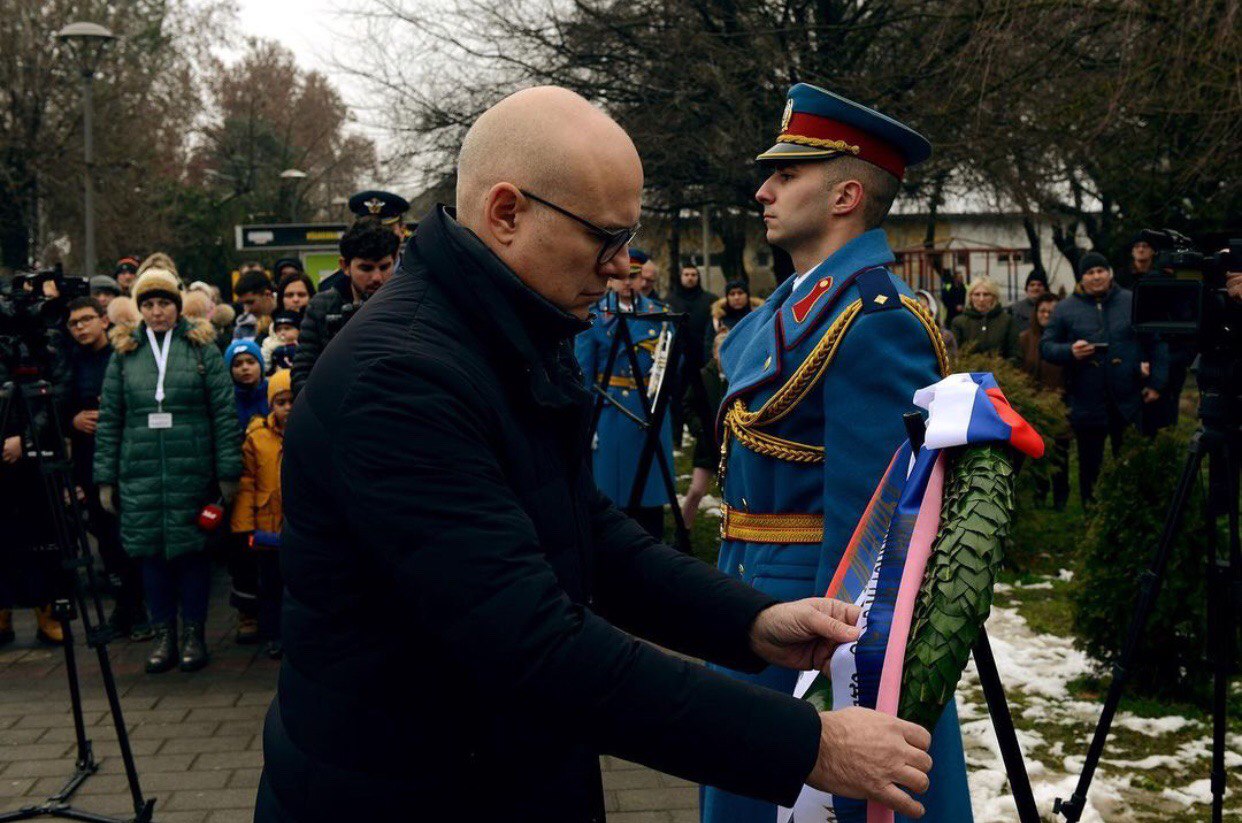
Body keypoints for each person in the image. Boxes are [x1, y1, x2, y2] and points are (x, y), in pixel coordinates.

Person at [256, 86, 934, 823]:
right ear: (507, 213)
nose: (621, 265)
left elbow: (586, 529)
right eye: (604, 238)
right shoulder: (404, 380)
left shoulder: (502, 329)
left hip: (493, 772)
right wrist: (809, 746)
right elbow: (536, 645)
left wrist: (750, 622)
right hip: (411, 789)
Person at [710, 83, 967, 823]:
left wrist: (844, 685)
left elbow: (875, 537)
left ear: (847, 193)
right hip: (757, 610)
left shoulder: (875, 319)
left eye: (787, 174)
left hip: (816, 629)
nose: (764, 189)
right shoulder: (793, 306)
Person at [94, 258, 242, 673]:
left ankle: (194, 634)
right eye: (149, 304)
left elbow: (223, 413)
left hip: (191, 471)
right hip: (139, 472)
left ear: (178, 305)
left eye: (164, 303)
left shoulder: (202, 348)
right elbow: (110, 420)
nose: (157, 311)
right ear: (139, 308)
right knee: (151, 558)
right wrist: (105, 478)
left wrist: (227, 472)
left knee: (192, 556)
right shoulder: (124, 354)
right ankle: (163, 635)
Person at [1040, 251, 1167, 504]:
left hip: (1128, 397)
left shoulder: (1131, 301)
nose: (1096, 276)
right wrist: (1070, 351)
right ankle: (1092, 509)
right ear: (1082, 277)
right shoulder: (1065, 309)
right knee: (1090, 465)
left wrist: (1156, 383)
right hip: (1087, 400)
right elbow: (1046, 346)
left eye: (1100, 271)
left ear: (1109, 273)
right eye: (1090, 272)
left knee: (1131, 459)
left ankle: (1131, 508)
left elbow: (1157, 342)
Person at [64, 297, 150, 638]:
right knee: (106, 539)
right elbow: (61, 402)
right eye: (74, 323)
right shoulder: (69, 362)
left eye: (87, 320)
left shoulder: (123, 355)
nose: (81, 328)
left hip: (124, 453)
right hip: (88, 456)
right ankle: (123, 609)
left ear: (104, 320)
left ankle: (140, 609)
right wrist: (73, 419)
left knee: (128, 534)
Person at [575, 261, 674, 540]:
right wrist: (588, 420)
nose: (627, 283)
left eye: (633, 277)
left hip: (648, 408)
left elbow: (671, 363)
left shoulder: (659, 313)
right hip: (613, 409)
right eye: (621, 277)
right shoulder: (595, 315)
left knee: (650, 492)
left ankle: (653, 543)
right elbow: (584, 371)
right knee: (613, 494)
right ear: (610, 280)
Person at [291, 218, 399, 397]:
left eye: (384, 267)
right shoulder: (322, 307)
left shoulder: (406, 306)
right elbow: (302, 373)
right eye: (366, 268)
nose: (377, 277)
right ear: (345, 266)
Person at [231, 368, 292, 660]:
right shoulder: (257, 437)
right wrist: (245, 525)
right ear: (271, 405)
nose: (288, 408)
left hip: (299, 525)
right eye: (281, 402)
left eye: (293, 400)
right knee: (271, 585)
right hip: (269, 525)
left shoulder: (310, 430)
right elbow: (247, 483)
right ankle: (274, 634)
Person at [1018, 293, 1070, 510]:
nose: (1047, 315)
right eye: (1042, 311)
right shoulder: (1025, 338)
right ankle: (1039, 495)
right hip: (1034, 405)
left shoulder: (1066, 339)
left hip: (1060, 404)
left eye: (1052, 312)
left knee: (1060, 453)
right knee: (1038, 452)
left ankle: (1060, 496)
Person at [665, 261, 719, 449]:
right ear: (680, 277)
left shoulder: (710, 301)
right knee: (677, 400)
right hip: (677, 360)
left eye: (693, 275)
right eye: (686, 274)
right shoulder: (670, 301)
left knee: (704, 398)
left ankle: (708, 435)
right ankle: (676, 439)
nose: (690, 278)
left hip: (702, 359)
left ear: (699, 277)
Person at [317, 191, 411, 295]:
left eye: (387, 229)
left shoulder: (421, 280)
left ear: (402, 231)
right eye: (368, 228)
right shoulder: (331, 288)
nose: (378, 236)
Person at [680, 329, 729, 527]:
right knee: (697, 490)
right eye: (720, 350)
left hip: (731, 446)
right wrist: (699, 428)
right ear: (714, 352)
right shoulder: (703, 377)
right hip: (707, 444)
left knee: (733, 494)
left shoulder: (739, 377)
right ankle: (683, 532)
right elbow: (687, 405)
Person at [949, 276, 1019, 359]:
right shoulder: (959, 322)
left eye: (986, 294)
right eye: (977, 294)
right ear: (970, 297)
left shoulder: (1007, 321)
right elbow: (954, 356)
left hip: (1001, 370)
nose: (981, 299)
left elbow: (1015, 355)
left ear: (994, 297)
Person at [708, 279, 762, 346]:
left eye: (740, 293)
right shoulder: (718, 320)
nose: (736, 297)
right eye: (732, 294)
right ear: (727, 297)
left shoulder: (759, 317)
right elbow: (709, 345)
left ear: (747, 295)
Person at [232, 270, 277, 342]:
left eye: (250, 302)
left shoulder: (289, 317)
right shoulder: (243, 326)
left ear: (267, 295)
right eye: (243, 304)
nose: (247, 309)